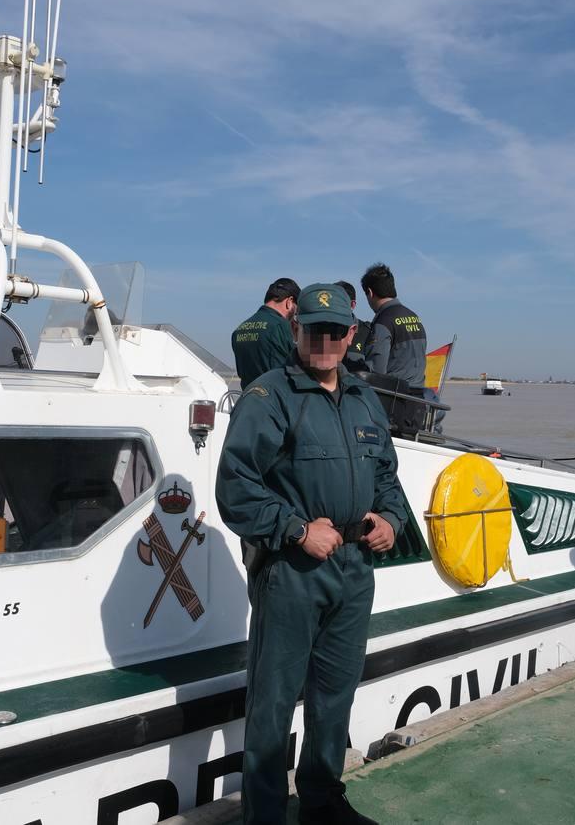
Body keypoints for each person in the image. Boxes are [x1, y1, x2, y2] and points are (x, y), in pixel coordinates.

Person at [217, 282, 408, 825]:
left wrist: (390, 521)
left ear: (351, 334)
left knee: (334, 696)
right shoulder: (270, 396)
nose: (323, 341)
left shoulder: (364, 398)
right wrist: (298, 530)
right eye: (311, 329)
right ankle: (266, 817)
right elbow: (235, 487)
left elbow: (388, 478)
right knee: (273, 706)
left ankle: (322, 804)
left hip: (354, 568)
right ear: (295, 330)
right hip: (293, 570)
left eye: (334, 331)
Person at [359, 263, 425, 390]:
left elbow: (376, 372)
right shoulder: (414, 317)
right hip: (418, 397)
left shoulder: (383, 322)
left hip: (394, 399)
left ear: (370, 293)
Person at [231, 278, 300, 389]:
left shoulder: (239, 329)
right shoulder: (281, 326)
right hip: (276, 401)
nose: (294, 315)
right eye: (296, 310)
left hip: (249, 399)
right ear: (289, 302)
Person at [335, 280, 370, 373]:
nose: (334, 307)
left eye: (339, 303)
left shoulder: (368, 333)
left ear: (352, 305)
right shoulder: (321, 330)